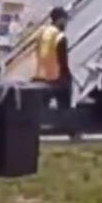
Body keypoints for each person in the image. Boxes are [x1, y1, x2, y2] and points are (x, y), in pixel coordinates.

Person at [33, 7, 76, 135]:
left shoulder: (41, 32)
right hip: (55, 77)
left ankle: (34, 128)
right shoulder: (60, 37)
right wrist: (68, 76)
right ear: (60, 19)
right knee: (65, 102)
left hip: (40, 74)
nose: (66, 23)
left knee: (41, 105)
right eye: (65, 20)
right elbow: (62, 59)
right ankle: (69, 131)